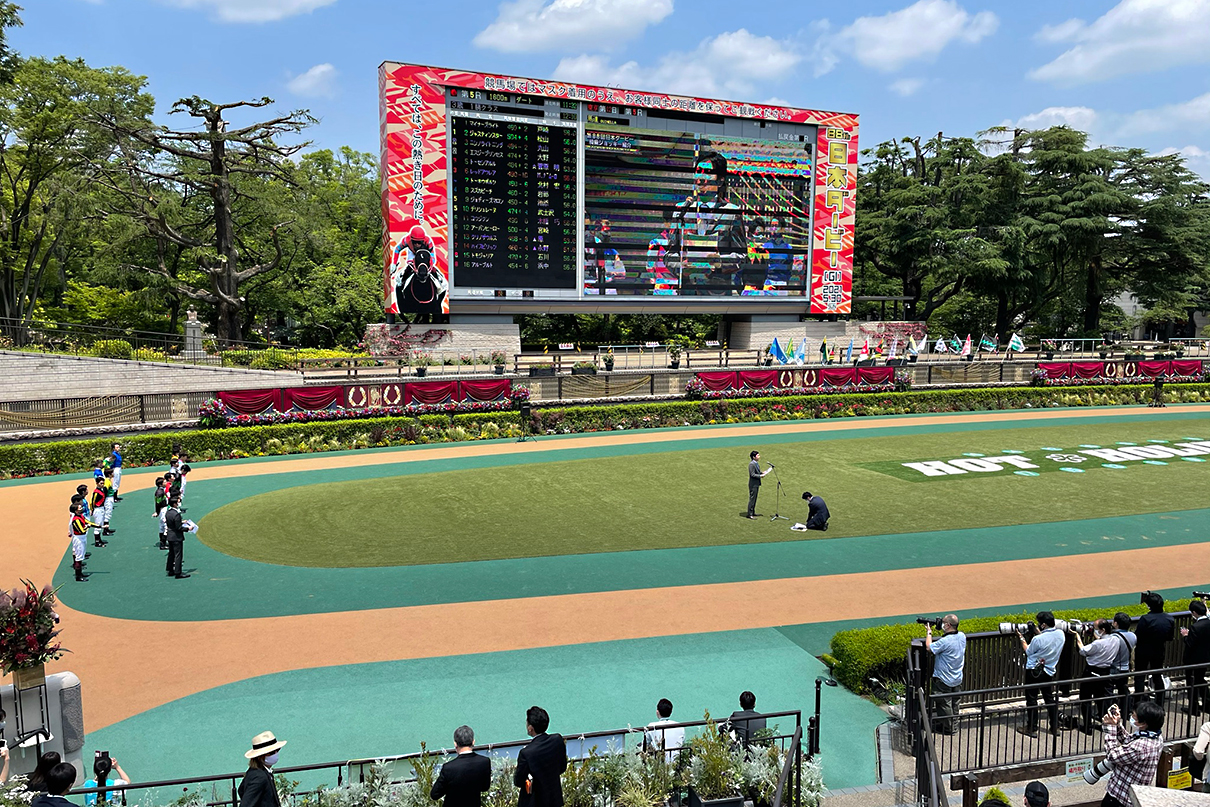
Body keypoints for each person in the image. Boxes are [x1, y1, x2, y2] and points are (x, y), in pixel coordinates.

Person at [1098, 701, 1164, 807]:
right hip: (1134, 797)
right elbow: (1128, 741)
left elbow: (1112, 755)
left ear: (1143, 723)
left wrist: (1110, 728)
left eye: (1134, 716)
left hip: (1120, 798)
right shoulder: (1155, 737)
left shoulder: (1140, 746)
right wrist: (1117, 725)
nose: (1131, 717)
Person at [1016, 612, 1065, 737]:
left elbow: (1028, 651)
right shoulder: (1061, 634)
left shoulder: (1037, 639)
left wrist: (1021, 637)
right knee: (1049, 698)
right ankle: (1055, 727)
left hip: (1033, 672)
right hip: (1048, 671)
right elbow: (1047, 640)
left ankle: (1031, 728)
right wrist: (1037, 631)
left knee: (1032, 699)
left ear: (1043, 624)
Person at [1071, 619, 1118, 734]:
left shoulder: (1097, 643)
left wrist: (1077, 636)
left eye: (1095, 628)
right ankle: (1105, 725)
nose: (1093, 629)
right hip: (1105, 672)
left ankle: (1087, 727)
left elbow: (1083, 651)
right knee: (1101, 700)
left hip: (1091, 672)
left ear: (1102, 630)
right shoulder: (1116, 640)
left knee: (1085, 699)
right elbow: (1102, 644)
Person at [515, 706, 566, 807]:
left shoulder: (526, 753)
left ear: (530, 729)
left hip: (534, 802)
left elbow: (518, 781)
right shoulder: (557, 740)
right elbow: (562, 767)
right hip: (554, 800)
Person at [430, 725, 490, 807]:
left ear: (455, 744)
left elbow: (435, 794)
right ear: (473, 742)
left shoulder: (448, 768)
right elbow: (485, 787)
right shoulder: (484, 762)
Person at [926, 614, 965, 735]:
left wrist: (929, 632)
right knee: (954, 703)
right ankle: (953, 725)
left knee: (944, 704)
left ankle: (948, 728)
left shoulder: (945, 641)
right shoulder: (962, 636)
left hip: (943, 679)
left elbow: (929, 647)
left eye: (943, 622)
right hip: (957, 677)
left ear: (947, 625)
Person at [1134, 592, 1174, 706]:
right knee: (1157, 676)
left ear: (1149, 606)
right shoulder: (1169, 619)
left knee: (1140, 677)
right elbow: (1170, 637)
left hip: (1143, 651)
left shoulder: (1146, 619)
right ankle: (1160, 703)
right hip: (1159, 651)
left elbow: (1138, 635)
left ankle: (1138, 703)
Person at [239, 731, 286, 807]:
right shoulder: (259, 777)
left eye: (278, 749)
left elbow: (241, 790)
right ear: (260, 756)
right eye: (272, 752)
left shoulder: (255, 771)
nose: (276, 753)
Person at [1182, 599, 1210, 714]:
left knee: (1192, 683)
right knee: (1201, 680)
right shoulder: (1208, 622)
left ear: (1194, 612)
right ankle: (1207, 705)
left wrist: (1185, 636)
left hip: (1193, 661)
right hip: (1206, 659)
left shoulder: (1196, 627)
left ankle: (1193, 708)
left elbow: (1190, 644)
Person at [1112, 612, 1137, 713]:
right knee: (1123, 690)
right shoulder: (1133, 636)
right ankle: (1126, 711)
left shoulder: (1113, 637)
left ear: (1116, 623)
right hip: (1125, 668)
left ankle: (1109, 712)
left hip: (1113, 668)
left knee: (1107, 691)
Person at [164, 496, 190, 579]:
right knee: (178, 554)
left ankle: (170, 569)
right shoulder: (176, 514)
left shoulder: (168, 512)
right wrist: (188, 529)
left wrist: (181, 522)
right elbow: (179, 528)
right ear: (174, 504)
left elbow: (172, 523)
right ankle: (178, 572)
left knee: (171, 553)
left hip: (170, 536)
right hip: (176, 537)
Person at [747, 451, 772, 519]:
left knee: (754, 499)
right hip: (753, 484)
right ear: (753, 457)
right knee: (752, 499)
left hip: (756, 484)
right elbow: (752, 474)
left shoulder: (756, 463)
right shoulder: (751, 464)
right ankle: (750, 514)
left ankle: (752, 512)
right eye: (757, 455)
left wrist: (761, 472)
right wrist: (760, 476)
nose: (759, 456)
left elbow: (756, 472)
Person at [69, 502, 90, 582]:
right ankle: (78, 576)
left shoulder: (81, 516)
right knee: (79, 557)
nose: (82, 509)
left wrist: (99, 526)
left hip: (82, 538)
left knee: (81, 556)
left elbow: (87, 523)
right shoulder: (75, 520)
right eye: (80, 508)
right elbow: (81, 530)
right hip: (79, 539)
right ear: (76, 511)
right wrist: (87, 527)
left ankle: (80, 573)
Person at [89, 478, 111, 544]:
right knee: (98, 525)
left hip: (101, 508)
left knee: (101, 523)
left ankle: (99, 539)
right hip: (97, 509)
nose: (102, 485)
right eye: (101, 483)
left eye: (103, 483)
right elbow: (92, 501)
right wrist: (92, 509)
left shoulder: (103, 489)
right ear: (97, 483)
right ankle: (97, 541)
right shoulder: (96, 492)